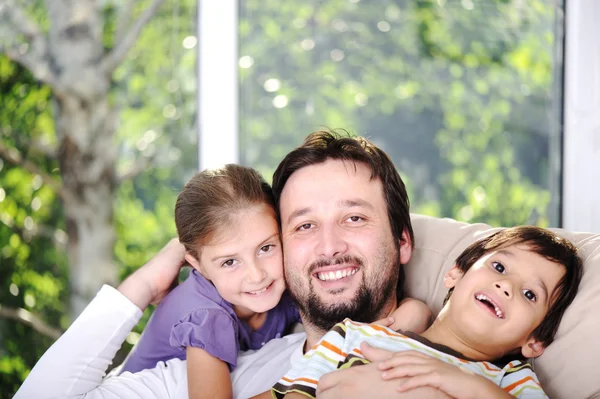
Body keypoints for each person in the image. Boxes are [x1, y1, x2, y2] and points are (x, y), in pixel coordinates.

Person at [15, 130, 466, 399]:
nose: (329, 246)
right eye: (304, 226)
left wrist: (409, 324)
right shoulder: (233, 353)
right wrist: (147, 283)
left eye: (353, 218)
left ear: (404, 240)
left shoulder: (434, 374)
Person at [119, 163, 429, 399]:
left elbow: (411, 311)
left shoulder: (282, 289)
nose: (256, 275)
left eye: (266, 248)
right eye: (229, 262)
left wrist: (412, 314)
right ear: (197, 266)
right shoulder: (205, 315)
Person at [272, 226, 583, 399]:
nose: (506, 286)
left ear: (535, 341)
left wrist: (464, 385)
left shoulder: (507, 378)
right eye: (499, 267)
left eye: (530, 294)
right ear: (456, 274)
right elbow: (295, 394)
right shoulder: (355, 335)